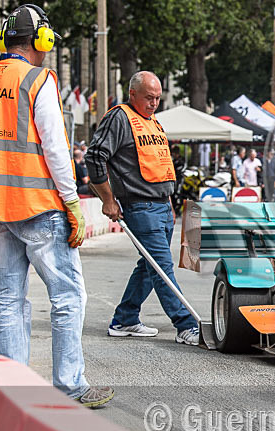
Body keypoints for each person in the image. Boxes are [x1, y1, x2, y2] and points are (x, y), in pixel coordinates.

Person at [0, 4, 112, 407]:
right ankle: (69, 385)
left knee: (7, 298)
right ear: (41, 40)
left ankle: (10, 392)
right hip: (38, 204)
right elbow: (54, 147)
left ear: (3, 40)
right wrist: (71, 202)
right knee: (68, 296)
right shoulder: (38, 79)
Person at [86, 71, 200, 345]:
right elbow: (95, 157)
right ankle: (186, 325)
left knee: (149, 266)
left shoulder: (151, 122)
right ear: (132, 94)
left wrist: (169, 204)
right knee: (161, 267)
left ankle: (125, 319)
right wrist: (108, 200)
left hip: (161, 206)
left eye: (158, 98)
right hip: (141, 206)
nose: (154, 103)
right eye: (149, 97)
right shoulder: (119, 118)